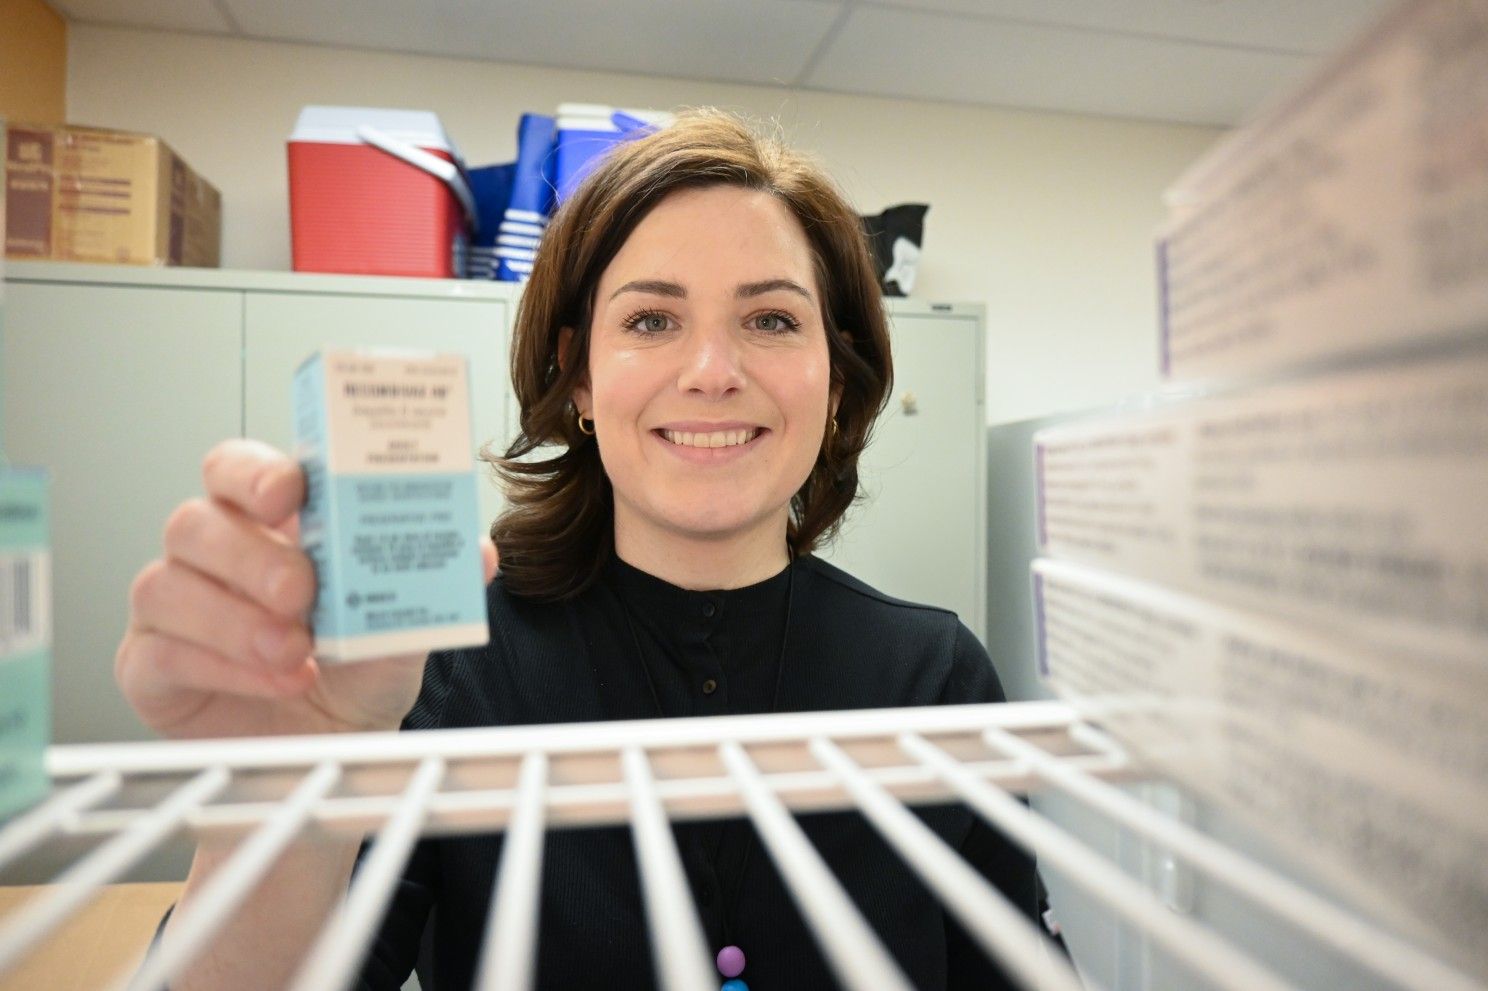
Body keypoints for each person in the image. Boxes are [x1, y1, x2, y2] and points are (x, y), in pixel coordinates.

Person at [117, 109, 1043, 990]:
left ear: (836, 382)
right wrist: (285, 794)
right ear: (581, 379)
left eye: (771, 319)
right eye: (650, 320)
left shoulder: (935, 673)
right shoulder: (436, 662)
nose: (713, 373)